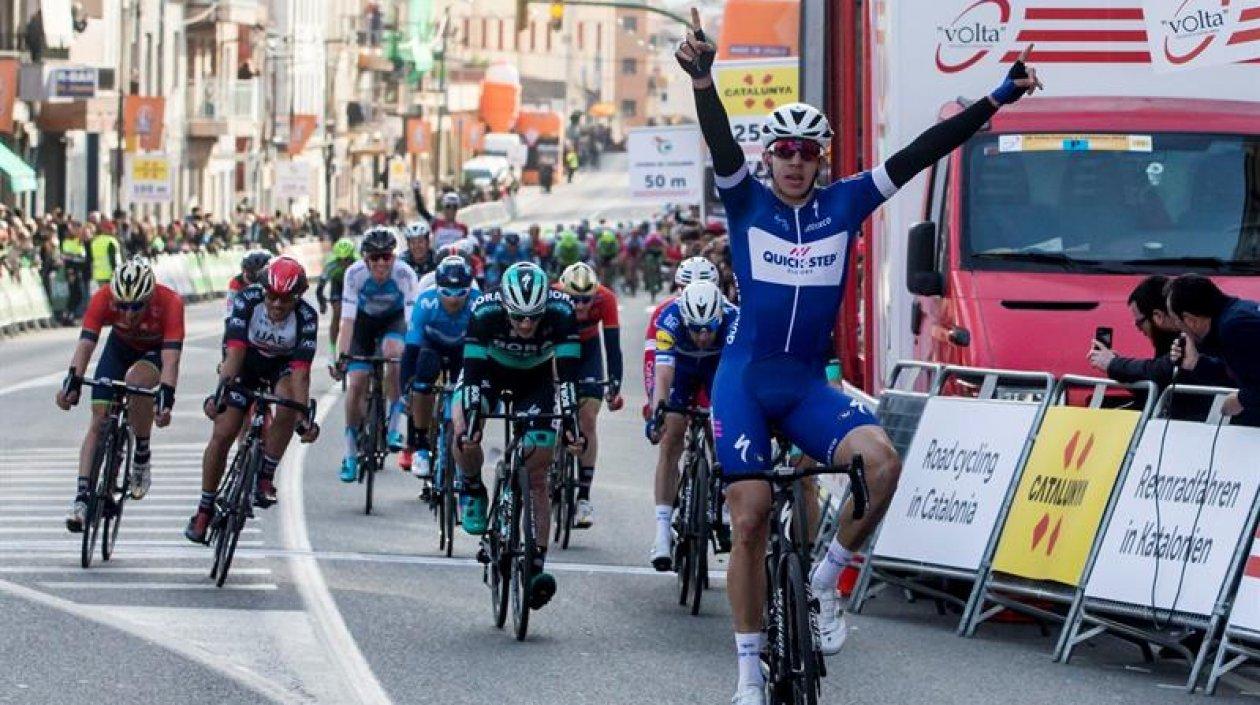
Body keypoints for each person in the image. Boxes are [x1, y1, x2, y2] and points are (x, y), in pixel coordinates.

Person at [676, 11, 1043, 702]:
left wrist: (996, 98)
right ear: (769, 157)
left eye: (807, 151)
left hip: (807, 384)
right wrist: (704, 78)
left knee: (883, 463)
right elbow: (720, 136)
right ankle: (749, 673)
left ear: (823, 158)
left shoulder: (846, 203)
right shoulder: (745, 200)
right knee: (750, 515)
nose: (793, 159)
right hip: (747, 380)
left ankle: (823, 583)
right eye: (783, 148)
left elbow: (924, 150)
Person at [452, 262, 584, 610]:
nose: (526, 325)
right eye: (518, 317)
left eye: (533, 317)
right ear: (506, 307)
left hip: (535, 379)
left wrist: (571, 425)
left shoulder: (561, 311)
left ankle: (536, 566)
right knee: (462, 428)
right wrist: (475, 420)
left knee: (539, 470)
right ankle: (472, 487)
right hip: (489, 373)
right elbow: (473, 375)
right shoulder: (485, 311)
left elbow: (569, 379)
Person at [185, 258, 320, 541]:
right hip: (245, 361)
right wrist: (220, 391)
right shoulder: (247, 301)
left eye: (286, 299)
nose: (278, 304)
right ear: (263, 290)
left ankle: (265, 475)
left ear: (298, 296)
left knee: (287, 402)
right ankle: (204, 508)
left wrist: (303, 414)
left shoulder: (307, 317)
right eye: (272, 296)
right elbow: (233, 353)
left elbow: (300, 374)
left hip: (281, 368)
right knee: (223, 432)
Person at [55, 258, 182, 531]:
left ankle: (142, 453)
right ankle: (82, 498)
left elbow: (171, 360)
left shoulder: (170, 303)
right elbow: (86, 345)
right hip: (119, 349)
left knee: (136, 381)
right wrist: (72, 382)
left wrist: (166, 398)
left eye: (136, 306)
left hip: (153, 353)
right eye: (123, 306)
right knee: (99, 420)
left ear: (149, 297)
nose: (129, 313)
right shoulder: (103, 298)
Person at [646, 280, 736, 568]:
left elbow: (738, 377)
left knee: (722, 430)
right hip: (681, 371)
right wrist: (657, 412)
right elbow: (662, 375)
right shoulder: (669, 318)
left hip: (716, 371)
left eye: (709, 328)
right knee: (671, 436)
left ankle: (720, 504)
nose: (702, 335)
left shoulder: (735, 318)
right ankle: (661, 531)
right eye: (695, 329)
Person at [331, 226, 421, 481]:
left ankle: (393, 426)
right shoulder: (354, 274)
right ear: (365, 259)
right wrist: (342, 357)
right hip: (362, 324)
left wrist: (411, 361)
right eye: (374, 257)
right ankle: (349, 453)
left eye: (387, 256)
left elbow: (411, 321)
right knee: (357, 382)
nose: (381, 263)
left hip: (393, 322)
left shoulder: (405, 274)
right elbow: (346, 323)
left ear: (394, 257)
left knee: (394, 354)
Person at [1088, 275, 1233, 419]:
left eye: (1139, 322)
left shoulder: (1192, 338)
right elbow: (1157, 383)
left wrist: (1112, 363)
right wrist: (1116, 365)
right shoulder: (1174, 340)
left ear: (1158, 316)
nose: (1138, 328)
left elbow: (1160, 371)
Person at [554, 262, 624, 527]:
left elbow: (613, 348)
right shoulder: (552, 298)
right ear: (563, 292)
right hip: (559, 347)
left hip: (589, 351)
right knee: (552, 404)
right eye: (574, 300)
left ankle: (583, 497)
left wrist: (614, 386)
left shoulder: (606, 298)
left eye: (586, 299)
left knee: (588, 420)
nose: (581, 306)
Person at [400, 256, 476, 477]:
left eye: (460, 292)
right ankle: (421, 446)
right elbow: (410, 351)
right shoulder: (425, 302)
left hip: (463, 349)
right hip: (431, 346)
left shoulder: (477, 304)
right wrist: (407, 389)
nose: (453, 300)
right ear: (437, 288)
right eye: (447, 292)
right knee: (422, 377)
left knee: (471, 392)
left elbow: (487, 353)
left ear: (469, 290)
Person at [1166, 274, 1260, 426]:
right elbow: (1241, 372)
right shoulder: (1238, 315)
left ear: (1190, 320)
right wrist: (1196, 363)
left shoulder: (1235, 328)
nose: (1179, 330)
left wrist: (1240, 400)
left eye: (1177, 322)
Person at [643, 256, 722, 418]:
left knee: (716, 422)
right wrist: (653, 399)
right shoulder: (664, 313)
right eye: (685, 289)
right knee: (671, 428)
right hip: (678, 368)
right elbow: (652, 360)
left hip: (713, 369)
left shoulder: (727, 312)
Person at [316, 237, 358, 356]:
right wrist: (322, 303)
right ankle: (332, 348)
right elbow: (320, 288)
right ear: (336, 258)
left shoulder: (359, 261)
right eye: (341, 260)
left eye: (348, 260)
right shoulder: (331, 264)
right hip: (338, 284)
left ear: (352, 256)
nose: (344, 263)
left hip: (353, 285)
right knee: (337, 312)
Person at [225, 249, 272, 316]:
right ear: (244, 270)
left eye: (264, 273)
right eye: (252, 272)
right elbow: (230, 308)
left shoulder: (273, 280)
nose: (258, 277)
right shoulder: (236, 282)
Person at [87, 222, 121, 292]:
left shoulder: (95, 241)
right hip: (110, 275)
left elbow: (91, 258)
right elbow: (114, 259)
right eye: (112, 229)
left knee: (103, 296)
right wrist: (116, 272)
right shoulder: (111, 241)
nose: (114, 231)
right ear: (107, 230)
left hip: (98, 275)